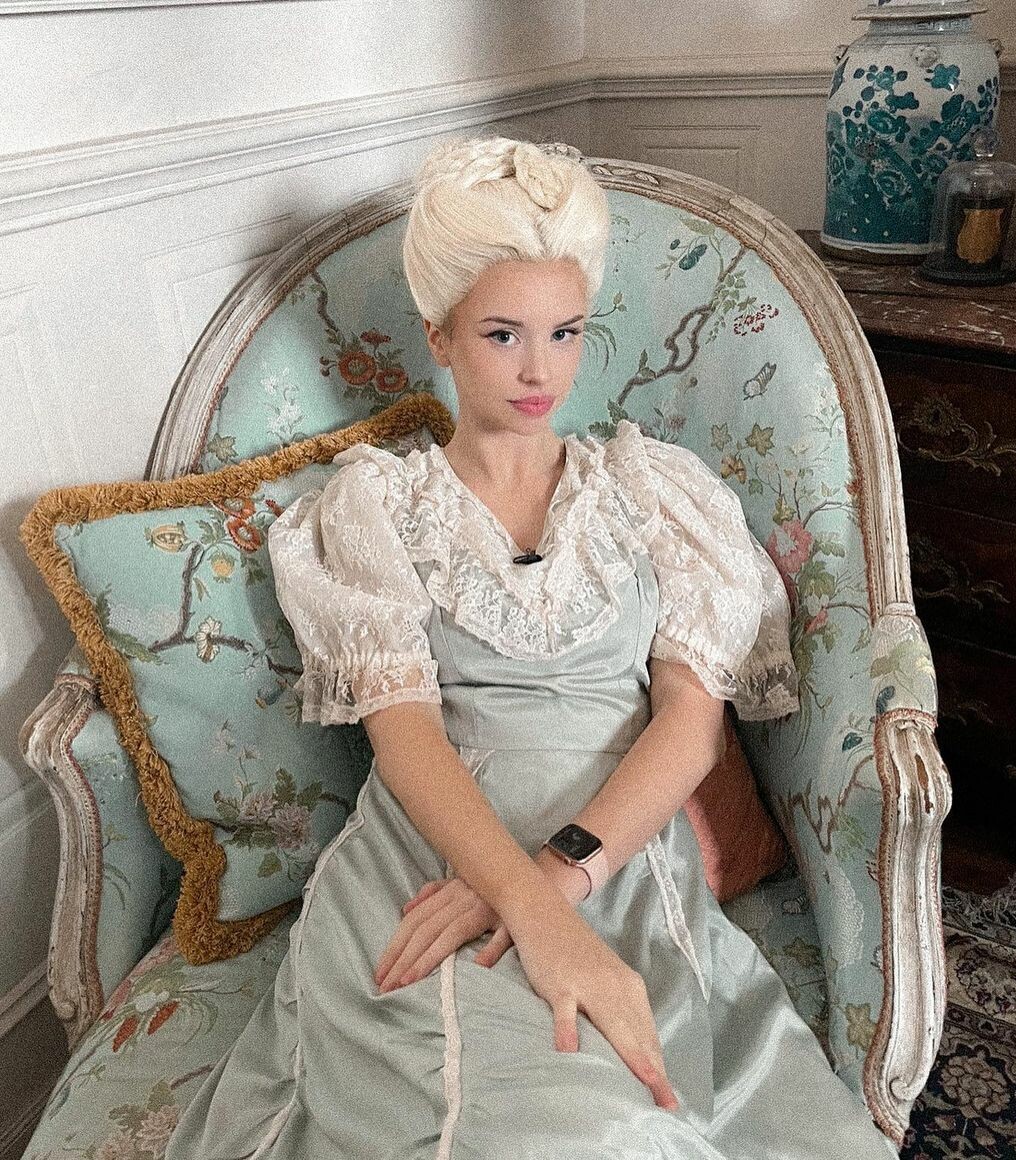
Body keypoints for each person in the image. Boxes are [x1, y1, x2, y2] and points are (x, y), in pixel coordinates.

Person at [163, 135, 901, 1159]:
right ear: (440, 335)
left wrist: (552, 887)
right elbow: (405, 739)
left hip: (616, 853)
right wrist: (516, 898)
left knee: (616, 1124)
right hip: (426, 852)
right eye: (503, 334)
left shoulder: (654, 491)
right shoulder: (377, 506)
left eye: (565, 333)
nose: (540, 368)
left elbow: (689, 731)